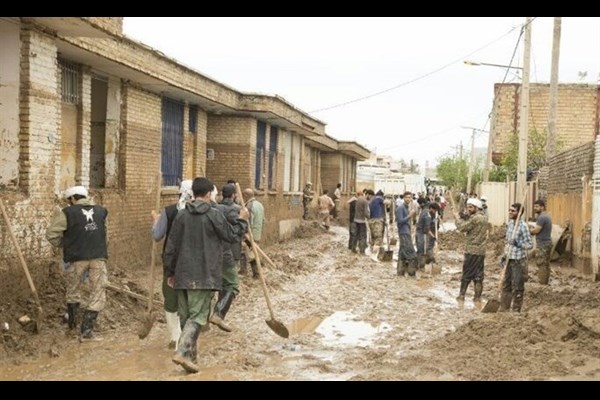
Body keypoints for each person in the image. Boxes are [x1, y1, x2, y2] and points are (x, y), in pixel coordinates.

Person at [164, 177, 248, 373]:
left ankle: (191, 362)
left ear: (193, 194)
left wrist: (169, 272)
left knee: (186, 319)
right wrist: (243, 220)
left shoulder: (181, 216)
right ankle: (183, 353)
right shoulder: (214, 215)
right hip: (203, 275)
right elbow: (232, 236)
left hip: (181, 275)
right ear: (209, 194)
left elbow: (170, 248)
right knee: (198, 317)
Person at [46, 186, 108, 342]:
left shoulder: (67, 213)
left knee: (73, 290)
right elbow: (104, 234)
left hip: (76, 259)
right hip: (98, 258)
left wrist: (66, 244)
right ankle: (86, 332)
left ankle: (72, 328)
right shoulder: (102, 211)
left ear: (72, 199)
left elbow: (51, 234)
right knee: (98, 293)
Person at [151, 179, 193, 349]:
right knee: (192, 299)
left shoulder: (169, 212)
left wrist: (155, 221)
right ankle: (187, 337)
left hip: (172, 262)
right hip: (195, 263)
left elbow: (157, 235)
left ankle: (175, 336)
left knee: (171, 298)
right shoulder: (205, 211)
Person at [210, 184, 246, 332]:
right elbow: (238, 232)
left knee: (212, 286)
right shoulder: (236, 210)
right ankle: (219, 313)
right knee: (231, 284)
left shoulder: (214, 209)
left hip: (210, 254)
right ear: (233, 195)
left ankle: (204, 320)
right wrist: (244, 219)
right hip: (226, 253)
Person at [452, 198, 488, 303]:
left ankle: (461, 296)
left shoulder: (475, 219)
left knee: (467, 274)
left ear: (477, 208)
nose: (468, 209)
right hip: (481, 251)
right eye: (468, 207)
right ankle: (477, 298)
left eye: (471, 207)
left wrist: (457, 218)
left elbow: (462, 227)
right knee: (478, 275)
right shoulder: (484, 217)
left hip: (472, 251)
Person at [500, 203, 533, 312]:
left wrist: (518, 244)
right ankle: (504, 307)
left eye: (513, 211)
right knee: (506, 284)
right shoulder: (510, 224)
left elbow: (529, 244)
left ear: (519, 213)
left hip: (518, 261)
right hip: (509, 258)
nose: (510, 212)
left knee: (518, 286)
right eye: (509, 210)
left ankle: (516, 310)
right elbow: (507, 242)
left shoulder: (523, 227)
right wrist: (504, 256)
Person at [243, 188, 265, 279]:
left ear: (246, 196)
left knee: (249, 253)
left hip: (250, 234)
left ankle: (253, 273)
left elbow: (249, 222)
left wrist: (245, 234)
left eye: (244, 196)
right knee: (254, 252)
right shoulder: (260, 205)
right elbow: (263, 220)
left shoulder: (249, 206)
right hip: (258, 232)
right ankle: (256, 273)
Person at [530, 199, 552, 285]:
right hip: (546, 243)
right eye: (534, 206)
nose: (535, 208)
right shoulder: (546, 216)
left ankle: (542, 283)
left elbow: (536, 230)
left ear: (542, 207)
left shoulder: (542, 217)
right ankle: (545, 282)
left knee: (542, 264)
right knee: (546, 264)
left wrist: (529, 231)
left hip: (542, 244)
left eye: (537, 206)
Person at [396, 191, 417, 277]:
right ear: (403, 198)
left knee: (402, 253)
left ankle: (400, 272)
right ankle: (411, 273)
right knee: (411, 253)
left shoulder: (407, 208)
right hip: (403, 233)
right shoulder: (400, 208)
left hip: (407, 232)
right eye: (406, 197)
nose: (408, 199)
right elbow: (400, 221)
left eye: (410, 197)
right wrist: (409, 215)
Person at [415, 197, 431, 270]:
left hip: (422, 233)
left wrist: (425, 231)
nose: (418, 205)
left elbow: (427, 223)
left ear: (422, 204)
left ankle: (422, 266)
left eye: (419, 204)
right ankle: (419, 264)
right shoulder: (423, 210)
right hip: (420, 232)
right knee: (419, 248)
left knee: (422, 249)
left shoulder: (426, 211)